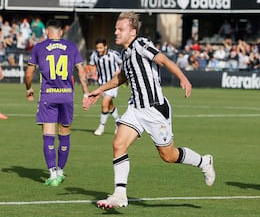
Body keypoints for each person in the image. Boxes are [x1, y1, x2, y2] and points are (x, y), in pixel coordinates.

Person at [84, 11, 215, 209]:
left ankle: (203, 161)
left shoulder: (141, 44)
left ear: (132, 31)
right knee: (118, 144)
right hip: (135, 108)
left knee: (168, 156)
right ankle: (120, 194)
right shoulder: (125, 53)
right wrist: (99, 90)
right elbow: (122, 78)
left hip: (155, 109)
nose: (116, 32)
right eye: (115, 29)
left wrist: (183, 78)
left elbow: (163, 60)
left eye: (121, 29)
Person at [25, 19, 89, 186]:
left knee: (48, 135)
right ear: (61, 32)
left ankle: (53, 174)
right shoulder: (72, 47)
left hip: (49, 97)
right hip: (67, 96)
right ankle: (61, 170)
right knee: (64, 134)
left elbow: (29, 73)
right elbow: (81, 71)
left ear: (47, 31)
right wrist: (86, 93)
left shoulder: (39, 47)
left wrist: (28, 88)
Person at [89, 38, 123, 136]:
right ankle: (118, 123)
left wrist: (119, 71)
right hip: (102, 84)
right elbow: (92, 65)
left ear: (105, 46)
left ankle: (101, 127)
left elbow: (122, 63)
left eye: (101, 47)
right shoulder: (94, 55)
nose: (99, 50)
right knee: (109, 105)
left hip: (113, 82)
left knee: (104, 103)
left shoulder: (113, 54)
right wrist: (93, 73)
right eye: (97, 48)